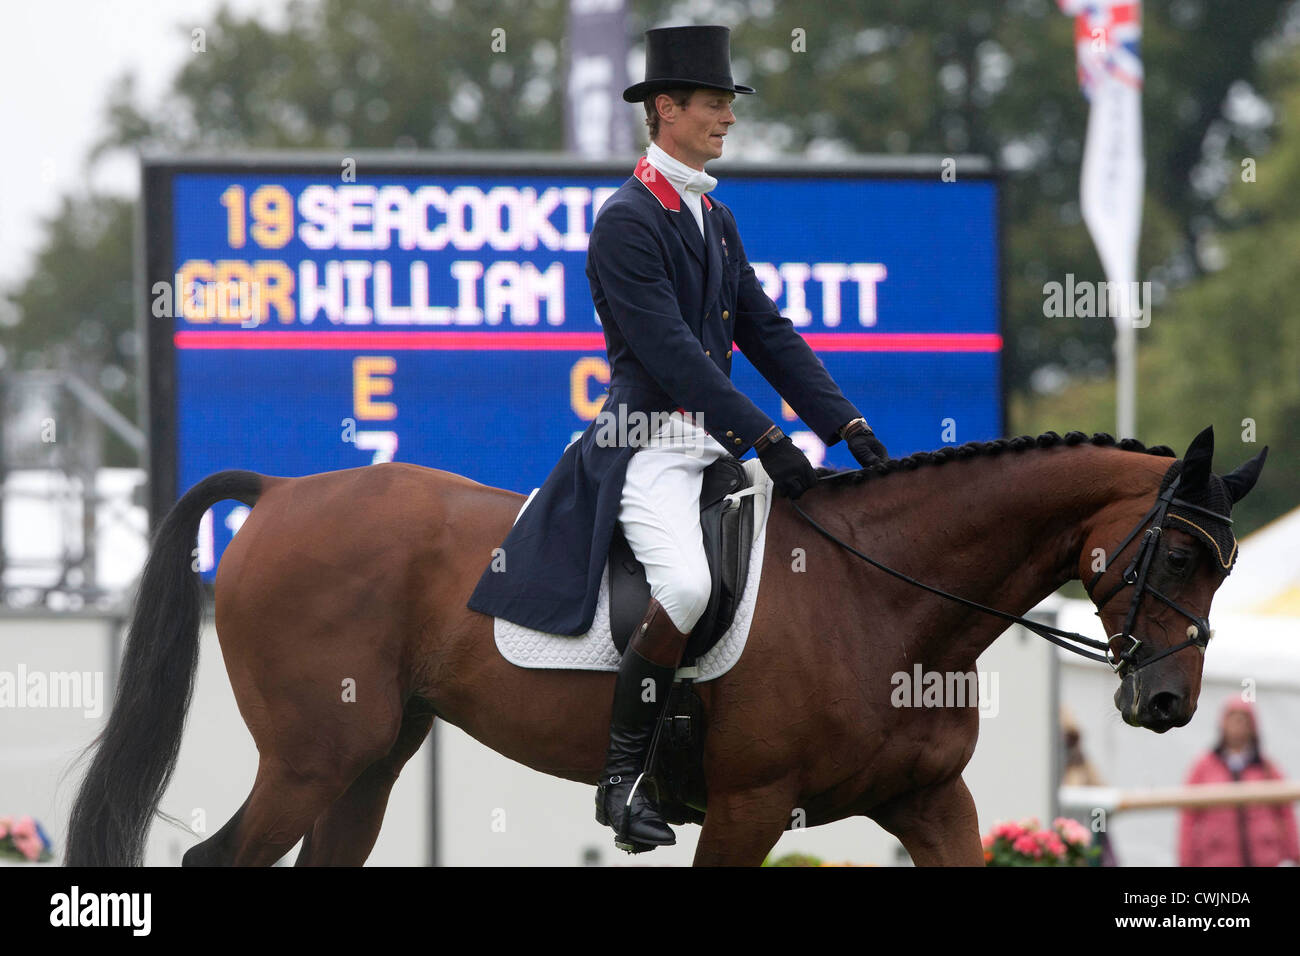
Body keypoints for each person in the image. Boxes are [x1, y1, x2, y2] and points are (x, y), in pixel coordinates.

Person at [466, 24, 887, 852]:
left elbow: (767, 331)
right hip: (647, 442)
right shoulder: (625, 221)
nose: (728, 119)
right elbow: (671, 354)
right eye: (715, 105)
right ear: (667, 108)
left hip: (711, 449)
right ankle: (624, 778)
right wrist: (768, 436)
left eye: (731, 104)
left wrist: (846, 423)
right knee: (689, 590)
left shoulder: (716, 219)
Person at [1178, 699, 1300, 867]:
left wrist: (1294, 854)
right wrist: (1187, 860)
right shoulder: (1203, 767)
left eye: (1244, 720)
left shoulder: (1268, 768)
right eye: (1233, 719)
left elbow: (1285, 813)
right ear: (1223, 724)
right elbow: (1188, 817)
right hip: (1217, 860)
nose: (1238, 726)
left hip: (1264, 859)